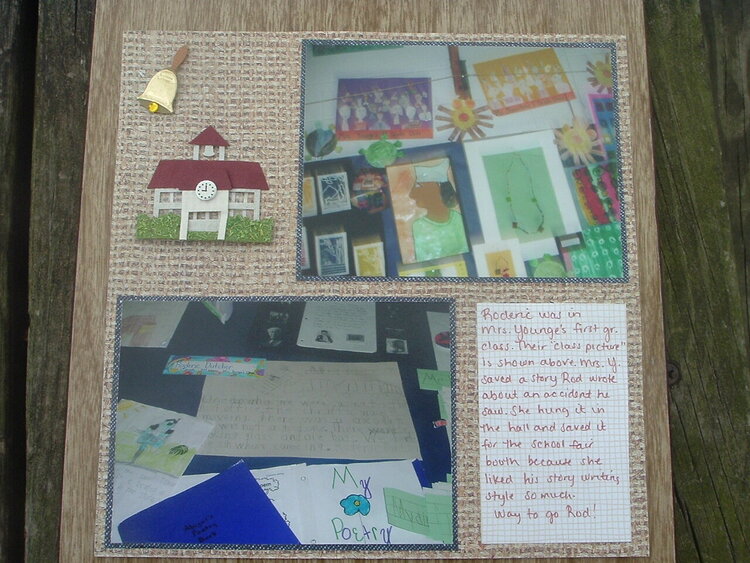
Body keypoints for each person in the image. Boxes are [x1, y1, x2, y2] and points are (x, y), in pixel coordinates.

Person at [409, 159, 469, 262]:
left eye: (419, 185)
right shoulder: (418, 227)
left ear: (437, 189)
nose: (412, 194)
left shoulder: (458, 220)